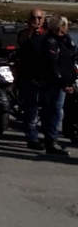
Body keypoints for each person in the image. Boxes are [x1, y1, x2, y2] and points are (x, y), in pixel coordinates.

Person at [34, 16, 76, 156]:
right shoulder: (49, 41)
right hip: (53, 82)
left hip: (66, 79)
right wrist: (63, 83)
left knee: (61, 110)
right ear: (60, 26)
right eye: (65, 25)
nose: (67, 27)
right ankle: (51, 142)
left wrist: (70, 79)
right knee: (55, 112)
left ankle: (60, 136)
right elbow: (52, 64)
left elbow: (71, 55)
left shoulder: (65, 39)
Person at [17, 8, 47, 151]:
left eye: (39, 18)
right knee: (31, 110)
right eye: (34, 18)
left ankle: (49, 138)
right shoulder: (24, 33)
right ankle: (32, 138)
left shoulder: (48, 34)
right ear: (29, 20)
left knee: (48, 110)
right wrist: (31, 30)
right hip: (29, 76)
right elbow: (22, 41)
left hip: (45, 77)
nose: (37, 21)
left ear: (44, 19)